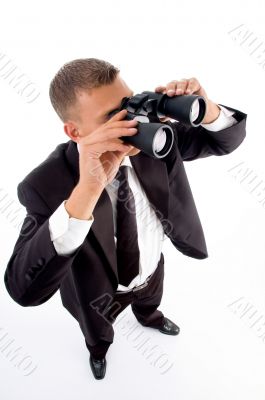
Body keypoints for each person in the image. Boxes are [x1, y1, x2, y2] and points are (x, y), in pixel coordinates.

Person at [4, 58, 247, 380]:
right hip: (97, 291)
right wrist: (86, 191)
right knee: (98, 332)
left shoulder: (155, 142)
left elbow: (222, 141)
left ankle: (150, 316)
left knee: (150, 299)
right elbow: (23, 290)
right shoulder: (43, 185)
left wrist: (207, 110)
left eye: (129, 104)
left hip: (150, 267)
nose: (133, 121)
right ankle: (98, 350)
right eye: (112, 117)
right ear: (74, 131)